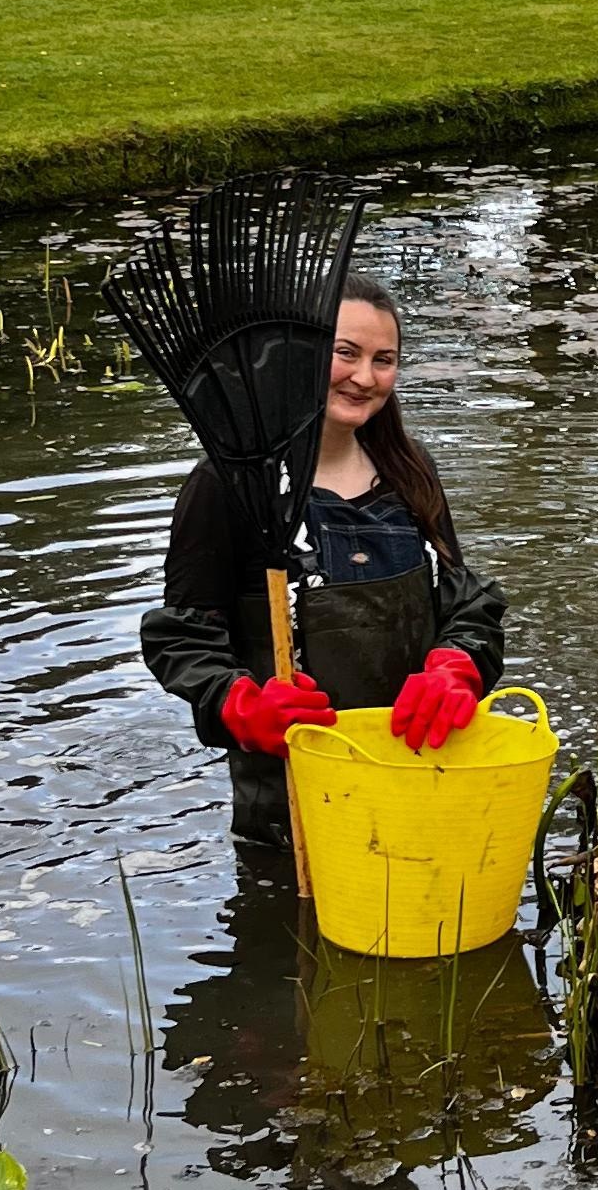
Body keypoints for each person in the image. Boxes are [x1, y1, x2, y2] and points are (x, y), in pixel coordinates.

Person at [142, 286, 506, 848]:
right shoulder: (226, 485)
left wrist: (456, 668)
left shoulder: (411, 472)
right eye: (346, 353)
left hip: (422, 780)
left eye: (383, 360)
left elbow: (467, 605)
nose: (365, 377)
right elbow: (182, 640)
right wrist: (241, 704)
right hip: (294, 807)